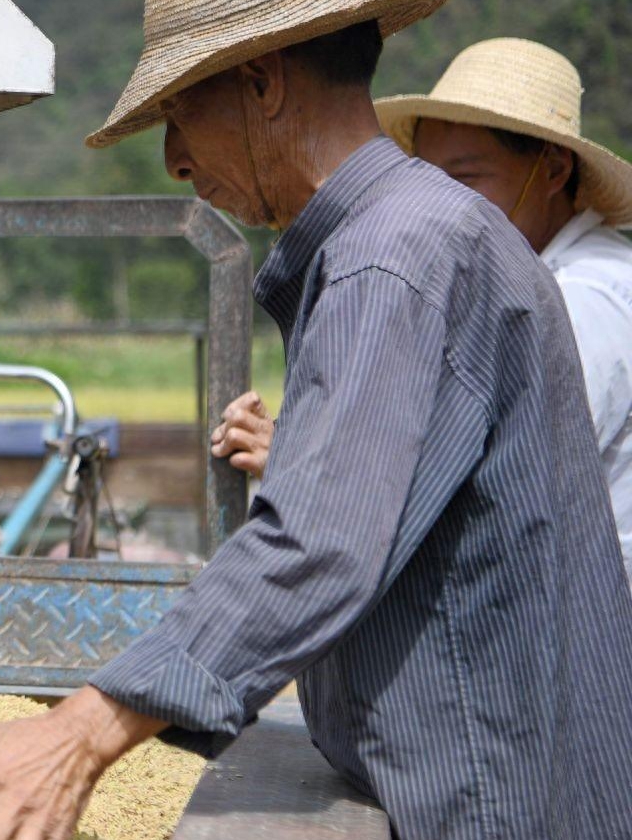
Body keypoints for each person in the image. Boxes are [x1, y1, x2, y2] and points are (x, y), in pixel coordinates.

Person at [0, 0, 632, 840]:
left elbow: (319, 542)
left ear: (263, 84)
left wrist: (83, 729)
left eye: (179, 113)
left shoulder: (394, 255)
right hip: (501, 783)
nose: (172, 161)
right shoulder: (411, 237)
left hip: (488, 815)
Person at [219, 39, 632, 587]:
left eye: (464, 179)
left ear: (553, 169)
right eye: (431, 179)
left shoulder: (588, 295)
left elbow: (477, 471)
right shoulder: (523, 277)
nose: (442, 202)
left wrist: (299, 461)